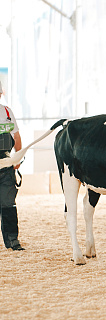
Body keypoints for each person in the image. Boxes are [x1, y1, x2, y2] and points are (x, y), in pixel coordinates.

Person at [0, 81, 24, 250]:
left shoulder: (7, 112)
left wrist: (17, 159)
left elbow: (16, 137)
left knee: (8, 204)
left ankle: (13, 241)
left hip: (6, 165)